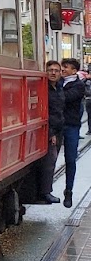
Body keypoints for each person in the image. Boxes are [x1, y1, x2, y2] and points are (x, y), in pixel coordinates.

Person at [37, 61, 64, 204]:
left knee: (52, 161)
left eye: (56, 70)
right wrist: (51, 133)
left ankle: (46, 190)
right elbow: (45, 112)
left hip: (59, 130)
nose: (53, 73)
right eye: (50, 70)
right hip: (49, 131)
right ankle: (45, 192)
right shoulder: (45, 89)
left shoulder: (58, 88)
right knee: (49, 161)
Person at [60, 58, 86, 208]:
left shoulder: (78, 85)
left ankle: (68, 191)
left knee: (70, 159)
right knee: (49, 159)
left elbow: (66, 98)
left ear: (74, 71)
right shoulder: (57, 83)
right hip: (56, 126)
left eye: (66, 67)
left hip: (71, 125)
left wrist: (56, 91)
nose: (63, 70)